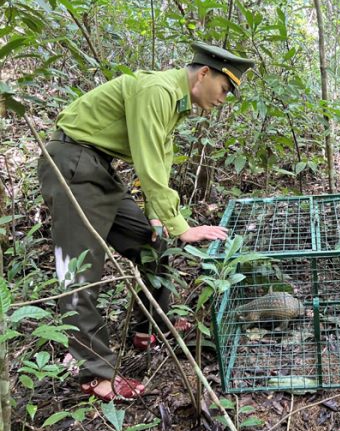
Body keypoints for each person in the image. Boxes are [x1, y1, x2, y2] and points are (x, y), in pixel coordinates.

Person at [38, 42, 255, 402]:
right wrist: (182, 225)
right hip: (73, 165)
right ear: (204, 73)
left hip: (99, 169)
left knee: (155, 242)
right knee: (77, 274)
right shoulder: (157, 90)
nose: (224, 98)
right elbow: (149, 162)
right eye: (225, 88)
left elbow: (160, 160)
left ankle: (148, 329)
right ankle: (96, 376)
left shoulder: (176, 102)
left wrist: (160, 217)